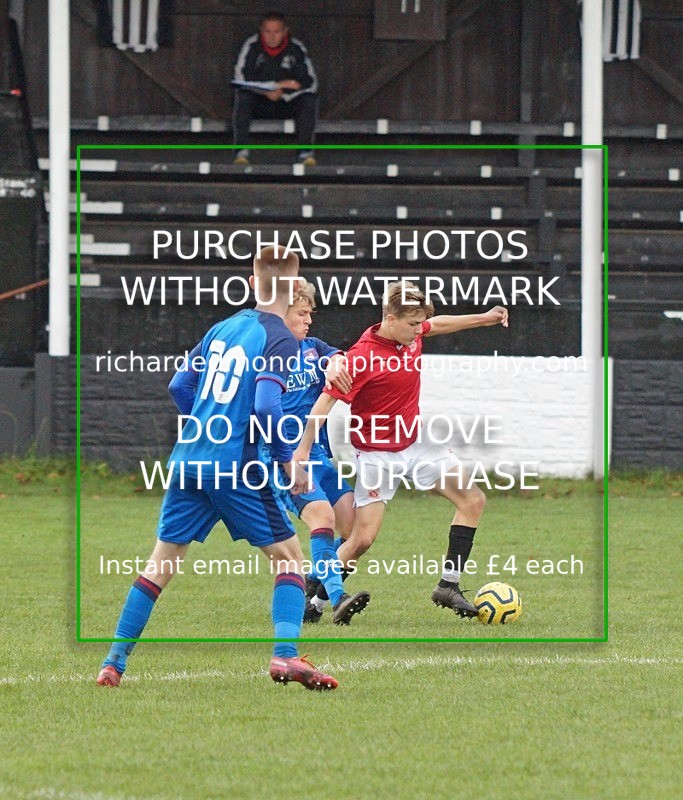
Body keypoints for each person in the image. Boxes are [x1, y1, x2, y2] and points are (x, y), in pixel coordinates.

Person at [97, 246, 338, 691]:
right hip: (234, 466)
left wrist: (208, 425)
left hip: (189, 459)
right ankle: (286, 656)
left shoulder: (222, 328)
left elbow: (179, 385)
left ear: (252, 283)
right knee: (289, 557)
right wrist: (287, 460)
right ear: (292, 286)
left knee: (161, 563)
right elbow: (266, 405)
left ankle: (113, 662)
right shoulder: (280, 337)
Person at [295, 281, 509, 620]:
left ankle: (448, 585)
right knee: (361, 540)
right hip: (377, 454)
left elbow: (438, 324)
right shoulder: (361, 358)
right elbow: (324, 403)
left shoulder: (411, 334)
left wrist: (485, 317)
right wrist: (302, 452)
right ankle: (316, 603)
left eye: (420, 323)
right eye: (412, 324)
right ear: (390, 319)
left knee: (473, 500)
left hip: (416, 441)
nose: (418, 331)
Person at [261, 279, 370, 624]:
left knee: (353, 528)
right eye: (301, 313)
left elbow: (337, 355)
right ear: (281, 314)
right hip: (284, 459)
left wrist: (336, 362)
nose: (308, 320)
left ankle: (312, 589)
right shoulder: (263, 354)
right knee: (322, 518)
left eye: (310, 313)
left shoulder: (312, 347)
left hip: (319, 456)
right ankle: (337, 597)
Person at [232, 11, 318, 166]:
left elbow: (310, 82)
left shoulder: (296, 48)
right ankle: (241, 152)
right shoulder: (252, 46)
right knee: (243, 97)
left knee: (309, 100)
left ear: (285, 31)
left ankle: (305, 152)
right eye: (267, 31)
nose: (271, 37)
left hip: (287, 102)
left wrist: (283, 91)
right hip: (260, 102)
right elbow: (240, 78)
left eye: (277, 32)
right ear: (261, 30)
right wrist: (270, 88)